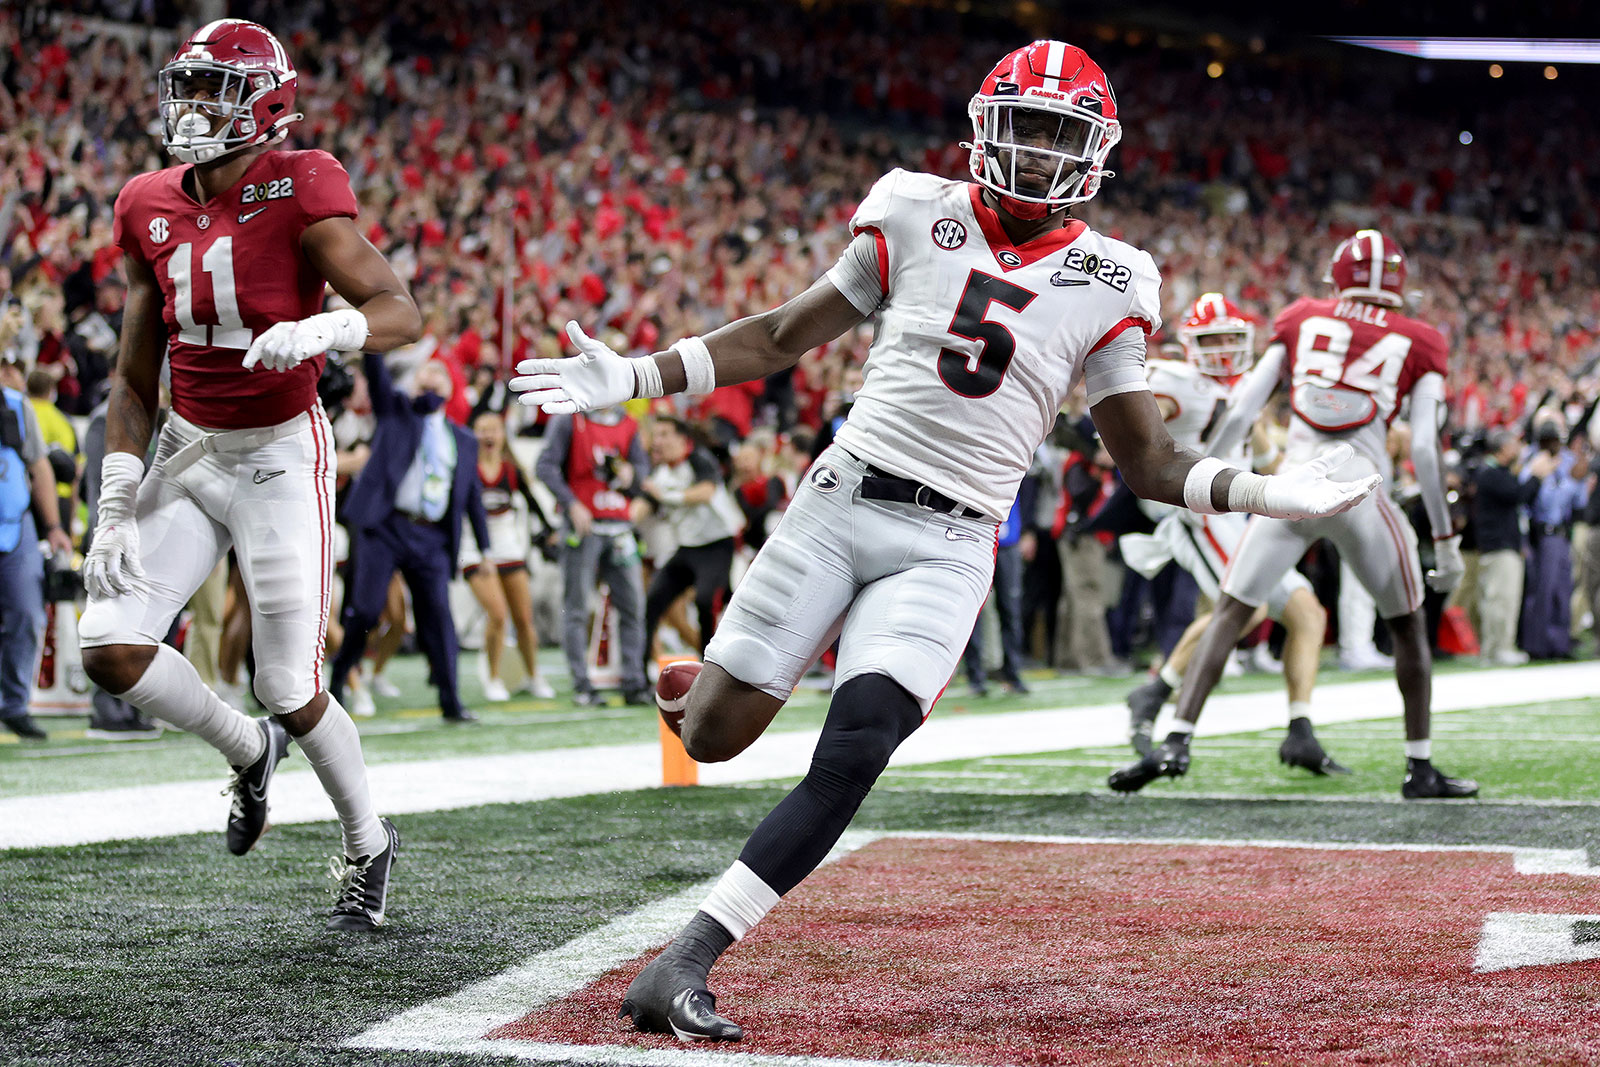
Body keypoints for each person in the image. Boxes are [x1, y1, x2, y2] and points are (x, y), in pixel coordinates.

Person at [512, 40, 1374, 1041]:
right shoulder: (913, 209)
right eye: (1028, 124)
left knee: (860, 741)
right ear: (985, 122)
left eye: (1062, 132)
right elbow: (785, 334)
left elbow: (1144, 464)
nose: (1041, 149)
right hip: (840, 501)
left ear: (1094, 149)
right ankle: (690, 688)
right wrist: (637, 376)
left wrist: (1268, 490)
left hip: (952, 540)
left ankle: (685, 958)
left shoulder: (1115, 277)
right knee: (712, 735)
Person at [77, 20, 403, 932]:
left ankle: (370, 841)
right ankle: (246, 751)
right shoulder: (146, 200)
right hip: (188, 446)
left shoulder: (301, 182)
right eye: (187, 87)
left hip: (276, 454)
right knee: (107, 646)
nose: (192, 108)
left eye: (216, 89)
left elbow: (398, 307)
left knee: (288, 684)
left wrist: (329, 329)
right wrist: (113, 500)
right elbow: (136, 375)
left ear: (265, 102)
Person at [1110, 229, 1475, 800]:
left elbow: (1243, 409)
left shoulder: (1303, 316)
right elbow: (1425, 448)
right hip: (1363, 490)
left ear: (1338, 279)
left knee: (1232, 612)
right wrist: (1447, 543)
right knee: (1407, 625)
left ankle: (1179, 738)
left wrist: (1213, 483)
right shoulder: (1421, 338)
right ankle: (1419, 766)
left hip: (1292, 488)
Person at [1118, 293, 1338, 771]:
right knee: (1249, 606)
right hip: (1198, 508)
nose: (1221, 349)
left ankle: (1301, 731)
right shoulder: (1174, 381)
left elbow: (1266, 462)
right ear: (1191, 345)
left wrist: (1312, 480)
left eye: (1229, 338)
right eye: (1211, 339)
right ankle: (1156, 692)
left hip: (1240, 509)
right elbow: (1119, 424)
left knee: (1307, 614)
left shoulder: (1243, 392)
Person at [328, 357, 489, 722]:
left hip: (430, 535)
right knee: (366, 610)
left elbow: (471, 496)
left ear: (451, 390)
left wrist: (486, 548)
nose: (430, 382)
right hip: (386, 527)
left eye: (438, 378)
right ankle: (338, 682)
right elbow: (377, 376)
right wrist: (375, 341)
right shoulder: (397, 412)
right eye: (423, 377)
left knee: (438, 616)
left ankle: (451, 701)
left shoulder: (462, 438)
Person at [534, 407, 652, 706]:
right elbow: (544, 466)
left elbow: (642, 467)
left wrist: (632, 474)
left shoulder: (627, 424)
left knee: (633, 607)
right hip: (583, 527)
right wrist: (570, 503)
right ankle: (582, 684)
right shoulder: (570, 420)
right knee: (576, 607)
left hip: (620, 525)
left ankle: (634, 681)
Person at [0, 354, 74, 740]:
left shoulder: (15, 405)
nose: (11, 374)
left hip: (16, 527)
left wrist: (53, 526)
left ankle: (13, 705)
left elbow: (39, 466)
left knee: (28, 616)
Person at [460, 409, 556, 701]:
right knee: (498, 615)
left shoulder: (512, 471)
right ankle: (492, 678)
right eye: (482, 429)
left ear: (503, 435)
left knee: (524, 619)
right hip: (474, 550)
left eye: (494, 429)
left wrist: (550, 530)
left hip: (508, 549)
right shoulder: (465, 470)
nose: (488, 435)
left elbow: (533, 502)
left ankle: (533, 675)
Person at [637, 416, 741, 666]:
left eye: (664, 434)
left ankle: (708, 668)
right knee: (652, 602)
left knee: (706, 602)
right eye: (655, 435)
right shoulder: (659, 472)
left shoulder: (699, 460)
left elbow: (705, 493)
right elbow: (641, 506)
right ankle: (638, 676)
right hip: (687, 548)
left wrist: (664, 496)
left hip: (718, 545)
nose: (657, 441)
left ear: (681, 439)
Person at [1472, 428, 1543, 665]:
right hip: (1499, 547)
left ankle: (1497, 648)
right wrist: (1536, 476)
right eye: (1513, 445)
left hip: (1503, 545)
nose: (1518, 450)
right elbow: (1518, 495)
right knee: (1501, 598)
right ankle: (1498, 648)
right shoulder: (1491, 473)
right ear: (1503, 449)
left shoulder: (1493, 472)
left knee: (1501, 598)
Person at [1518, 421, 1588, 659]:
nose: (1553, 445)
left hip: (1562, 533)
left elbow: (1579, 503)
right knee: (1542, 590)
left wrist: (1578, 481)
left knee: (1562, 588)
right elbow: (1533, 501)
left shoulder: (1569, 462)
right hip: (1542, 533)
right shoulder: (1533, 464)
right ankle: (1538, 645)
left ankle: (1560, 644)